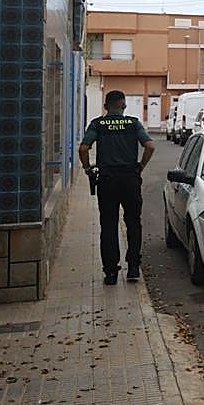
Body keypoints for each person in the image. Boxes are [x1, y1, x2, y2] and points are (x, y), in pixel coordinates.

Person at [78, 91, 156, 285]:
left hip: (107, 180)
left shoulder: (98, 124)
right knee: (133, 223)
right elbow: (150, 146)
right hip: (130, 179)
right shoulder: (133, 123)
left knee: (109, 226)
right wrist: (140, 167)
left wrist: (88, 169)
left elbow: (83, 148)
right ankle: (133, 268)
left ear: (106, 106)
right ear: (124, 105)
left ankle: (111, 273)